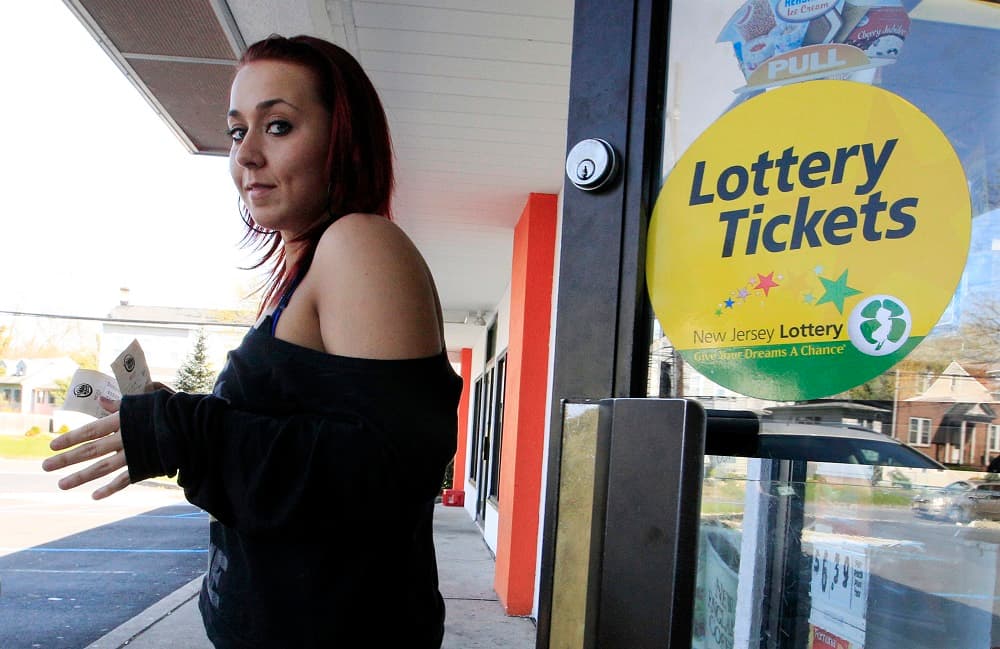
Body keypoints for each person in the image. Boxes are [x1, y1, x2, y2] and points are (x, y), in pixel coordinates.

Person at [42, 34, 462, 648]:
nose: (248, 156)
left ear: (343, 141)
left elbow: (388, 470)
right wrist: (173, 417)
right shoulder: (308, 267)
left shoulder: (359, 243)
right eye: (239, 132)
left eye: (280, 125)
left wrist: (190, 432)